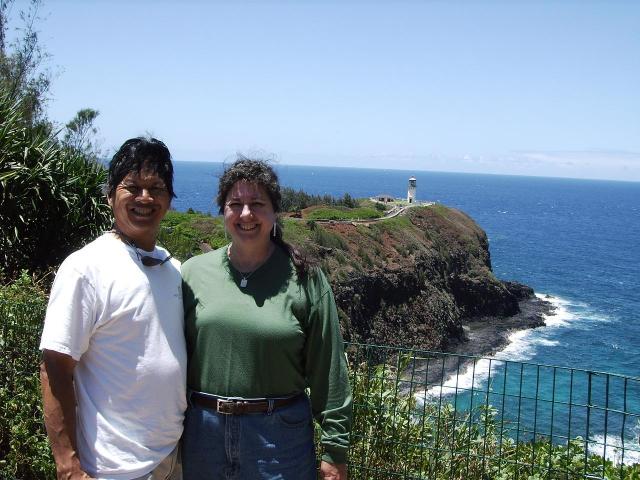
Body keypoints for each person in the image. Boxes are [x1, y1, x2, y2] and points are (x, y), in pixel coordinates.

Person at [181, 157, 352, 480]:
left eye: (257, 204)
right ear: (223, 211)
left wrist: (335, 449)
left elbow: (329, 370)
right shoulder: (192, 273)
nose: (246, 214)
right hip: (203, 437)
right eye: (235, 204)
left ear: (275, 212)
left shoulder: (306, 278)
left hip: (279, 442)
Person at [39, 137, 186, 480]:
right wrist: (68, 466)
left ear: (168, 200)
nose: (145, 198)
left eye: (156, 188)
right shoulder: (86, 268)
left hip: (174, 457)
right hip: (113, 467)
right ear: (109, 195)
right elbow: (54, 366)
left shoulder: (174, 269)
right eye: (132, 187)